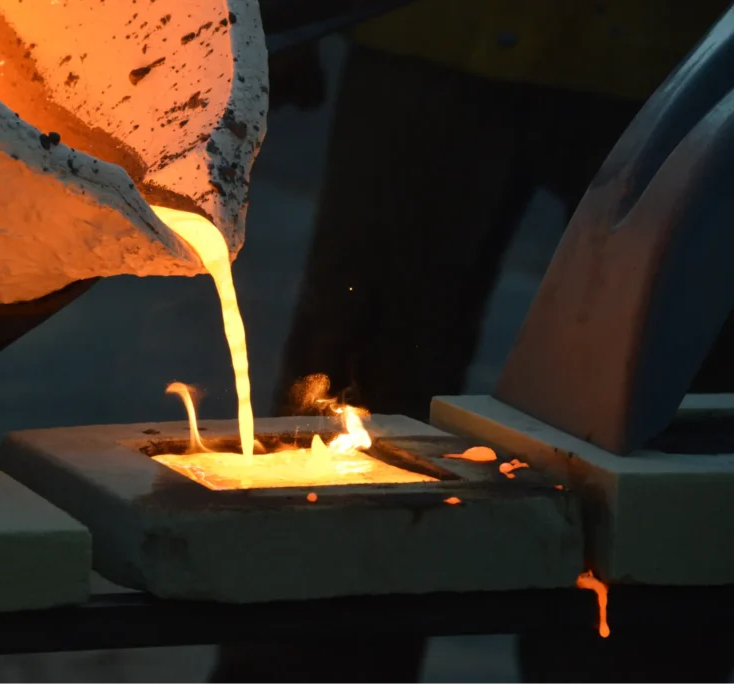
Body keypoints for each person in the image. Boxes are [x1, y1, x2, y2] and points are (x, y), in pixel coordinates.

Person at [212, 1, 734, 683]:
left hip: (675, 60)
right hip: (436, 36)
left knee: (655, 450)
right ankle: (314, 652)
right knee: (352, 402)